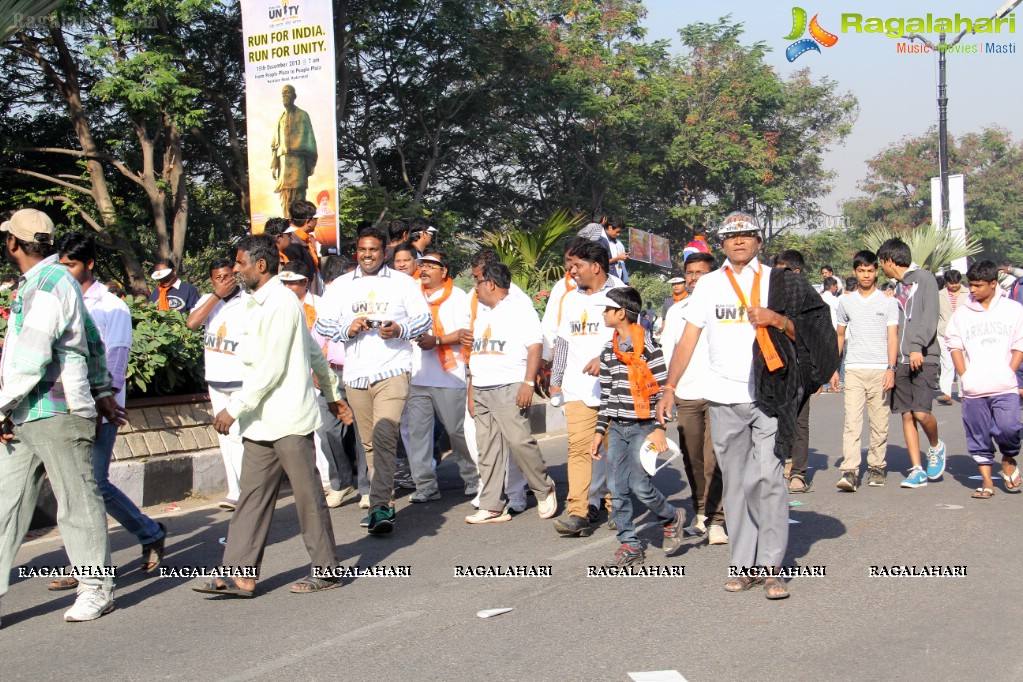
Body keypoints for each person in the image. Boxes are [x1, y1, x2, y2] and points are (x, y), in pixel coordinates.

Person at [656, 212, 836, 600]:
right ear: (722, 244)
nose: (739, 241)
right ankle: (743, 565)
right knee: (736, 483)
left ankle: (772, 568)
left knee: (769, 478)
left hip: (769, 396)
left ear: (758, 240)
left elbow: (813, 326)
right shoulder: (707, 286)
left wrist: (776, 319)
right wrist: (670, 386)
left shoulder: (779, 281)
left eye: (746, 235)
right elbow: (688, 339)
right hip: (722, 399)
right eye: (731, 237)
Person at [195, 234, 352, 598]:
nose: (235, 269)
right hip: (260, 422)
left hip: (287, 419)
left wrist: (233, 409)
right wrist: (331, 393)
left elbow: (270, 368)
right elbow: (312, 350)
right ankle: (240, 575)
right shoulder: (254, 302)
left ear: (261, 266)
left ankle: (327, 569)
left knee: (307, 497)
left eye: (240, 264)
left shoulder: (281, 302)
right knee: (251, 498)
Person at [0, 209, 126, 623]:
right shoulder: (49, 282)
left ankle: (96, 588)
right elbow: (89, 337)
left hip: (56, 408)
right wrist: (105, 389)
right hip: (28, 411)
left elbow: (31, 354)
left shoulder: (49, 284)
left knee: (76, 503)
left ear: (14, 243)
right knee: (6, 505)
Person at [51, 232, 167, 592]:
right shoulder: (57, 300)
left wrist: (107, 407)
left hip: (99, 406)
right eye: (61, 264)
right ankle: (92, 559)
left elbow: (115, 363)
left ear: (89, 265)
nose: (65, 271)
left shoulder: (111, 307)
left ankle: (146, 533)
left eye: (71, 264)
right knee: (74, 488)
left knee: (93, 484)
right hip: (63, 404)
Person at [313, 227, 432, 535]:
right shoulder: (340, 286)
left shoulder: (403, 283)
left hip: (393, 370)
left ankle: (380, 505)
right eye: (363, 250)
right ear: (357, 251)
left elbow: (424, 319)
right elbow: (324, 324)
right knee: (369, 443)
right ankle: (384, 501)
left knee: (384, 434)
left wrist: (399, 329)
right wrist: (348, 329)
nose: (368, 255)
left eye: (374, 250)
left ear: (384, 253)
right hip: (355, 374)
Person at [591, 287, 684, 566]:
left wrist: (659, 428)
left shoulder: (651, 350)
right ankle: (629, 543)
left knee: (640, 486)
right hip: (617, 428)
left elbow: (661, 394)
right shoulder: (608, 351)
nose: (603, 314)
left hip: (645, 427)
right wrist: (598, 432)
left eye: (607, 309)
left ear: (621, 313)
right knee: (616, 487)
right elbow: (606, 396)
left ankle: (670, 516)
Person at [463, 261, 558, 523]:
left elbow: (535, 346)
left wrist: (527, 383)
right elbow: (477, 353)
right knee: (488, 449)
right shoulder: (483, 313)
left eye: (477, 282)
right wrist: (472, 388)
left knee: (519, 442)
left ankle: (543, 487)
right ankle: (492, 504)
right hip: (482, 386)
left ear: (490, 283)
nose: (475, 288)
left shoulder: (519, 308)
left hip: (509, 386)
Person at [549, 239, 624, 537]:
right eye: (571, 265)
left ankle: (617, 506)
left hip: (615, 387)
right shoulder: (570, 299)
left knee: (615, 451)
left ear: (596, 266)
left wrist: (604, 356)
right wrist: (556, 382)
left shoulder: (621, 293)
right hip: (578, 389)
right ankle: (578, 511)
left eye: (577, 265)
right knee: (578, 449)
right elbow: (564, 343)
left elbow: (630, 334)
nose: (572, 270)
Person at [659, 251, 726, 545]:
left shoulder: (723, 307)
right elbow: (666, 354)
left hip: (718, 395)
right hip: (685, 393)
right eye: (690, 273)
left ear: (712, 275)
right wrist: (667, 391)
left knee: (714, 460)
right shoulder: (677, 312)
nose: (694, 278)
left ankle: (716, 520)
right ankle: (701, 511)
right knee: (693, 459)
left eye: (700, 272)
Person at [279, 261, 357, 509]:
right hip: (292, 375)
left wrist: (318, 370)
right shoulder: (278, 306)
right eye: (284, 282)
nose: (288, 287)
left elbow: (321, 342)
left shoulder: (322, 306)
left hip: (326, 374)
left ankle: (346, 481)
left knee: (345, 429)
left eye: (293, 282)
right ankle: (338, 480)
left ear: (305, 282)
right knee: (324, 431)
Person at [404, 251, 479, 502]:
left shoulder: (457, 297)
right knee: (418, 434)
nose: (423, 269)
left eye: (430, 266)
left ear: (443, 271)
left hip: (450, 376)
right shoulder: (412, 294)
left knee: (457, 432)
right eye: (422, 265)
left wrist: (436, 341)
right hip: (417, 376)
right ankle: (425, 484)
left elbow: (467, 333)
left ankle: (472, 477)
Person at [945, 260, 1023, 499]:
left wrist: (1008, 372)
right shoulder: (961, 314)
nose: (973, 290)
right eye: (971, 285)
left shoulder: (1013, 310)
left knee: (1010, 429)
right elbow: (954, 345)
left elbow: (1020, 345)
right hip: (973, 388)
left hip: (1005, 386)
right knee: (978, 436)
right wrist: (964, 376)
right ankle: (987, 482)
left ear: (993, 283)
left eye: (978, 285)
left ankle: (1008, 458)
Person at [876, 238, 946, 488]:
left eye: (880, 263)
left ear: (889, 261)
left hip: (924, 357)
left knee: (921, 413)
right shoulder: (894, 287)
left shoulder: (924, 278)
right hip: (901, 360)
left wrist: (917, 346)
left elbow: (929, 317)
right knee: (906, 414)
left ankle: (936, 446)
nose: (880, 268)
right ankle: (917, 468)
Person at [830, 250, 899, 491]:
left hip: (880, 369)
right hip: (854, 368)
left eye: (870, 271)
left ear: (876, 271)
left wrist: (891, 368)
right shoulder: (845, 301)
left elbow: (893, 337)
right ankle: (849, 471)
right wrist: (833, 368)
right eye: (861, 271)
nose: (866, 275)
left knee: (879, 423)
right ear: (855, 272)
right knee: (852, 422)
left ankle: (877, 467)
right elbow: (840, 335)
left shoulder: (889, 302)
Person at [186, 258, 247, 509]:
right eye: (218, 278)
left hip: (241, 379)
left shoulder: (248, 302)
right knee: (225, 436)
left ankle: (248, 489)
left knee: (241, 436)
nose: (225, 281)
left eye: (228, 276)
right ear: (212, 281)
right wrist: (215, 296)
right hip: (216, 380)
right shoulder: (206, 301)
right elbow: (192, 323)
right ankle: (235, 489)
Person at [772, 250, 814, 492]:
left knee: (800, 421)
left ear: (796, 273)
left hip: (800, 369)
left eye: (783, 271)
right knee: (772, 420)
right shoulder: (768, 299)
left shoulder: (810, 301)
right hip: (772, 369)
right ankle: (779, 467)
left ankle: (798, 473)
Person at [271, 84, 317, 218]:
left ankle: (299, 221)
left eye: (288, 92)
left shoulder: (303, 115)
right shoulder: (280, 119)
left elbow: (309, 140)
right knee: (285, 196)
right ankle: (287, 221)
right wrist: (275, 162)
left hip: (298, 161)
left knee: (298, 195)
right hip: (284, 164)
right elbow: (275, 144)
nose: (285, 95)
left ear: (294, 96)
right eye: (283, 93)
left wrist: (310, 162)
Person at [936, 269, 968, 405]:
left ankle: (964, 393)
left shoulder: (968, 294)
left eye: (956, 282)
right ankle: (946, 393)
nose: (954, 285)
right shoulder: (939, 295)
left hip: (964, 333)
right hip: (944, 333)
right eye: (951, 283)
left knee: (964, 363)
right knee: (947, 363)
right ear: (946, 282)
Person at [599, 215, 630, 284]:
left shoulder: (618, 242)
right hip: (606, 280)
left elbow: (622, 265)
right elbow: (601, 263)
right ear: (610, 227)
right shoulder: (600, 241)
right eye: (617, 232)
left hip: (619, 279)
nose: (618, 234)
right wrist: (618, 258)